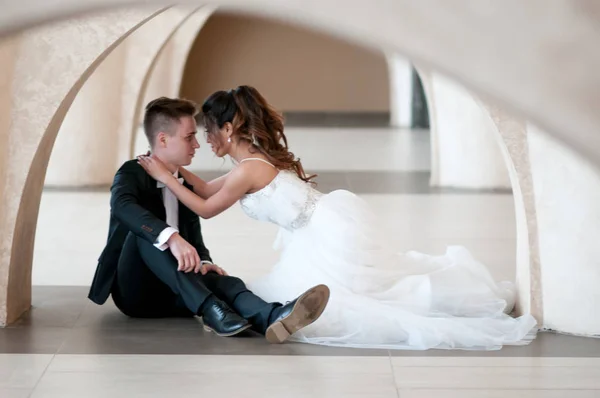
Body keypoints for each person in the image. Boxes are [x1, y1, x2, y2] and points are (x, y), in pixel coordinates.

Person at [136, 86, 539, 350]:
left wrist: (159, 175)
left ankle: (447, 299)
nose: (205, 141)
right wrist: (172, 167)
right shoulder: (248, 163)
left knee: (368, 298)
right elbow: (206, 189)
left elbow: (206, 207)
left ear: (228, 128)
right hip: (317, 226)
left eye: (208, 132)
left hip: (326, 232)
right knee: (361, 289)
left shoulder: (248, 169)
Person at [88, 96, 330, 344]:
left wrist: (204, 261)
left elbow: (193, 230)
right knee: (144, 235)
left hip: (177, 291)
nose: (197, 144)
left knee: (225, 282)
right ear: (163, 139)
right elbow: (122, 206)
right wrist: (171, 238)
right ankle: (212, 310)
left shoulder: (184, 182)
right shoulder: (132, 171)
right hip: (137, 293)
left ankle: (272, 315)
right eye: (189, 137)